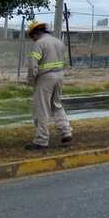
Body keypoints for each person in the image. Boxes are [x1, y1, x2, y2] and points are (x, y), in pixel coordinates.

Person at [24, 20, 73, 150]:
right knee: (57, 105)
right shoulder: (59, 42)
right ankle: (66, 132)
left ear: (35, 33)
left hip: (45, 78)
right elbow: (65, 61)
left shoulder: (39, 44)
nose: (32, 39)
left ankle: (41, 140)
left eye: (32, 36)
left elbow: (33, 64)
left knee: (42, 109)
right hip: (59, 76)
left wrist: (31, 80)